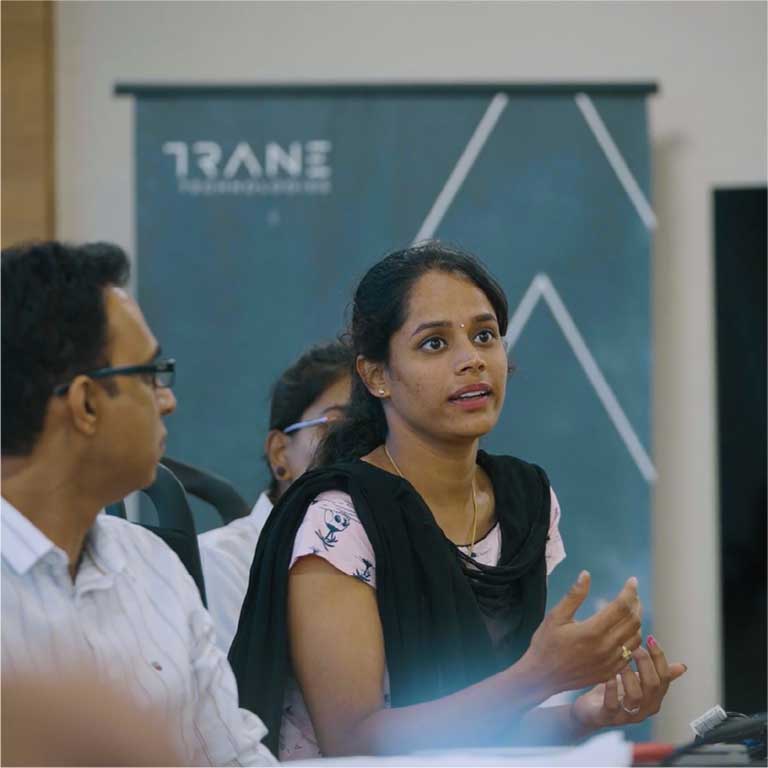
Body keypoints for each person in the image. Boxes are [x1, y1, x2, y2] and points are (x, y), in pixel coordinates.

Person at [229, 242, 687, 760]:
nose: (472, 359)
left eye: (484, 335)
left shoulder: (525, 502)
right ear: (377, 375)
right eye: (434, 343)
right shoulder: (339, 520)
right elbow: (354, 743)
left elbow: (485, 727)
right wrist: (538, 676)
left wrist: (585, 715)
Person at [1, 241, 275, 766]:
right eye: (150, 375)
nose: (168, 400)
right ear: (85, 403)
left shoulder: (154, 565)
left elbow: (234, 755)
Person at [199, 342, 353, 652]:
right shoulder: (221, 561)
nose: (360, 446)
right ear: (280, 453)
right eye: (337, 425)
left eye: (374, 430)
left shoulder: (386, 556)